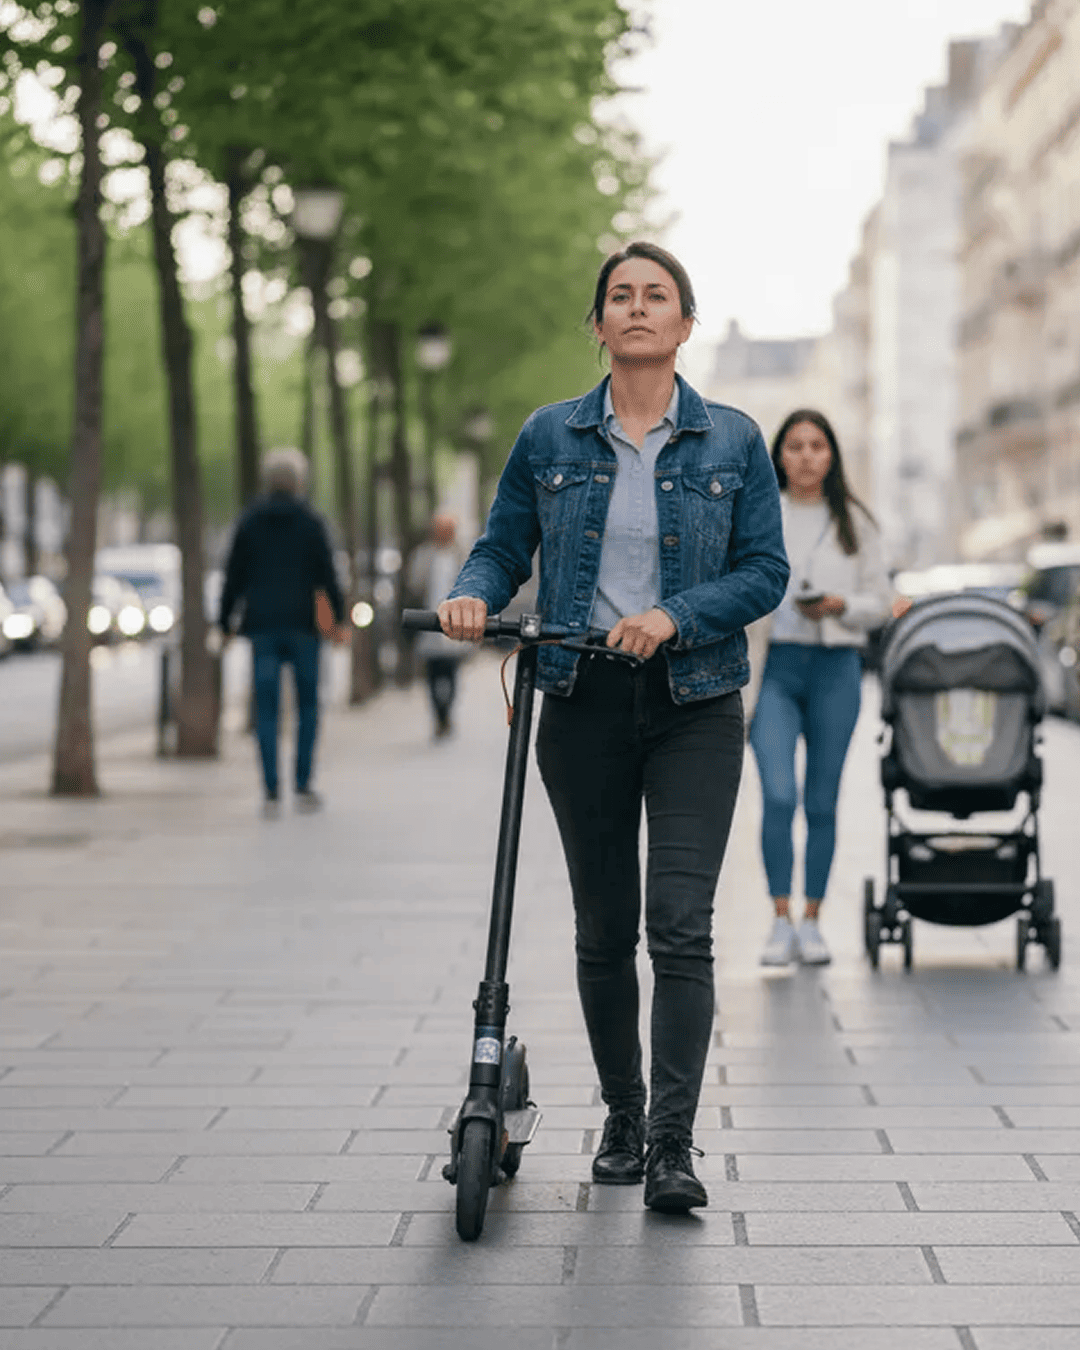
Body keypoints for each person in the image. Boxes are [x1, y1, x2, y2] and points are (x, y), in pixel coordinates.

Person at [436, 242, 788, 1213]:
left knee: (680, 926)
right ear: (598, 326)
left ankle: (673, 1143)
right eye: (620, 297)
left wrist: (676, 615)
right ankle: (624, 1117)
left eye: (656, 297)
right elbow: (504, 545)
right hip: (581, 698)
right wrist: (472, 596)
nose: (637, 309)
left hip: (696, 703)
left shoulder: (734, 442)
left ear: (684, 325)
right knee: (604, 928)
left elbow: (765, 572)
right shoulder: (550, 438)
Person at [749, 410, 891, 967]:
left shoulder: (855, 521)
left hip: (837, 668)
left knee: (824, 802)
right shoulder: (760, 514)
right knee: (779, 795)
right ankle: (779, 919)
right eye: (795, 446)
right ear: (778, 455)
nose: (806, 455)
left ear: (832, 455)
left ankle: (813, 920)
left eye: (817, 445)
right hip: (775, 670)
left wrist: (841, 606)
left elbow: (882, 601)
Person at [219, 447, 345, 816]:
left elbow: (233, 576)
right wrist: (338, 619)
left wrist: (224, 621)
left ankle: (271, 788)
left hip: (262, 627)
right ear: (299, 481)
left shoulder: (250, 521)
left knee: (268, 710)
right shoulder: (311, 521)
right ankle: (303, 783)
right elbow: (328, 574)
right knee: (308, 706)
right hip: (303, 626)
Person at [407, 513, 469, 738]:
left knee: (451, 671)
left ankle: (447, 711)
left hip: (454, 623)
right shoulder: (423, 555)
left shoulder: (461, 555)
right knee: (432, 673)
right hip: (429, 621)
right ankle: (438, 716)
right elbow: (414, 585)